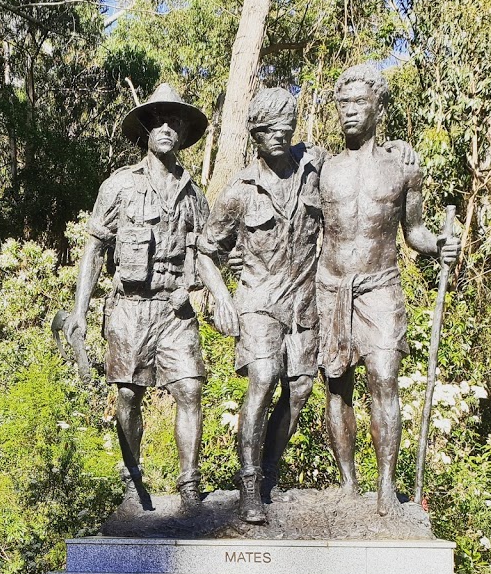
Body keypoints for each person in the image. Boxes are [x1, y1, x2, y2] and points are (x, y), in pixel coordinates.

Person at [318, 64, 460, 516]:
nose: (350, 112)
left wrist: (440, 245)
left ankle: (385, 487)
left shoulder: (403, 168)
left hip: (381, 287)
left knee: (385, 379)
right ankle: (347, 482)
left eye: (359, 103)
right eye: (343, 104)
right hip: (331, 286)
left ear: (379, 107)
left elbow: (414, 231)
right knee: (336, 386)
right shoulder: (322, 167)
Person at [62, 84, 209, 510]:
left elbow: (208, 249)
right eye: (158, 120)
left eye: (175, 121)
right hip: (129, 308)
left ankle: (189, 484)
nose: (166, 127)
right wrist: (80, 312)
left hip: (174, 310)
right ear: (145, 130)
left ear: (183, 131)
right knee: (128, 395)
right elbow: (94, 248)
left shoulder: (192, 192)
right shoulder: (119, 186)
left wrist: (201, 289)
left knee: (190, 389)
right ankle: (132, 476)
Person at [197, 88, 323, 523]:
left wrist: (395, 152)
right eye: (269, 129)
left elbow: (355, 161)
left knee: (301, 389)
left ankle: (269, 475)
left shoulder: (313, 170)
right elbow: (205, 251)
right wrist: (222, 297)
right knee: (264, 378)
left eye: (286, 128)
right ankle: (249, 485)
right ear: (254, 133)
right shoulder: (239, 191)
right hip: (258, 300)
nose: (279, 136)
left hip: (304, 303)